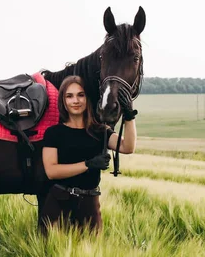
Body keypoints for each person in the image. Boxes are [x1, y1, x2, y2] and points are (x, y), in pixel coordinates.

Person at [39, 75, 138, 234]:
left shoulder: (100, 132)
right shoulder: (54, 133)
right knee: (49, 255)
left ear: (88, 98)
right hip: (59, 202)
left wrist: (129, 117)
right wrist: (88, 164)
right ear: (63, 101)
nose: (75, 101)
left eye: (80, 95)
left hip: (89, 204)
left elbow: (127, 147)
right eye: (69, 96)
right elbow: (51, 171)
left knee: (90, 252)